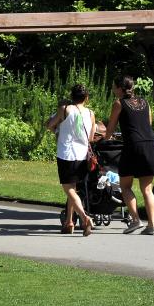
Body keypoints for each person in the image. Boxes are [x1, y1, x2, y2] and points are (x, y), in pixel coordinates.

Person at [102, 75, 154, 235]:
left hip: (133, 147)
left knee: (125, 186)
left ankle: (136, 220)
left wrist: (106, 138)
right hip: (150, 145)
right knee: (147, 190)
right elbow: (147, 124)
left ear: (120, 89)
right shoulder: (145, 102)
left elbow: (110, 130)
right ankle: (152, 226)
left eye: (114, 86)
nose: (112, 89)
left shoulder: (118, 104)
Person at [46, 84, 96, 236]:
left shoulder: (65, 109)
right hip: (82, 155)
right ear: (86, 98)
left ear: (71, 96)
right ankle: (69, 222)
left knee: (68, 189)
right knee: (74, 189)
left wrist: (57, 129)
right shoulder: (91, 113)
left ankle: (84, 217)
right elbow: (91, 138)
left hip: (66, 154)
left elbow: (49, 124)